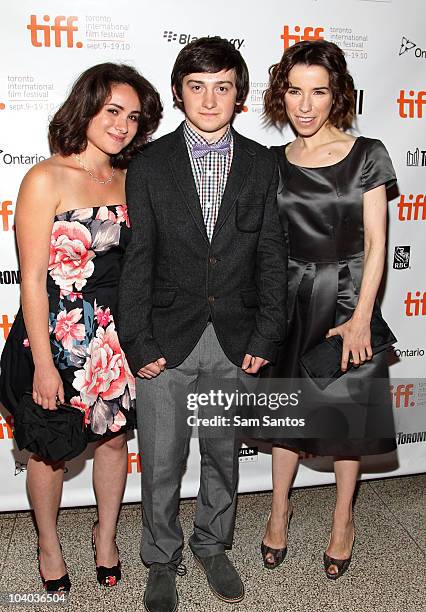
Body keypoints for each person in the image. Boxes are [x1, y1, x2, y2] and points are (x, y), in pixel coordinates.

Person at [118, 37, 287, 612]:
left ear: (239, 96)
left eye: (223, 87)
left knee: (222, 454)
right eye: (197, 86)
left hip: (234, 342)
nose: (209, 99)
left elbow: (271, 255)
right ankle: (160, 559)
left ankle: (212, 545)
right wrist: (138, 340)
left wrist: (266, 335)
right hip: (167, 340)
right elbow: (136, 261)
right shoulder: (147, 164)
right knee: (162, 461)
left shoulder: (263, 163)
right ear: (178, 92)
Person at [0, 63, 162, 592]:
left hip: (112, 338)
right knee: (51, 449)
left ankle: (106, 536)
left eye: (133, 117)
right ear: (86, 106)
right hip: (55, 333)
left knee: (114, 443)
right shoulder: (44, 178)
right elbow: (30, 283)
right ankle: (48, 545)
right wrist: (43, 364)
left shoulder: (130, 177)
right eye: (112, 110)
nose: (122, 125)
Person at [260, 40, 396, 579]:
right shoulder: (274, 161)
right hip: (292, 299)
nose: (306, 105)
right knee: (286, 415)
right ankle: (278, 510)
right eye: (295, 91)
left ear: (337, 94)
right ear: (282, 96)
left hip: (346, 298)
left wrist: (362, 316)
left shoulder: (369, 154)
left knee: (346, 421)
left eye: (318, 91)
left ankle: (343, 521)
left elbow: (377, 244)